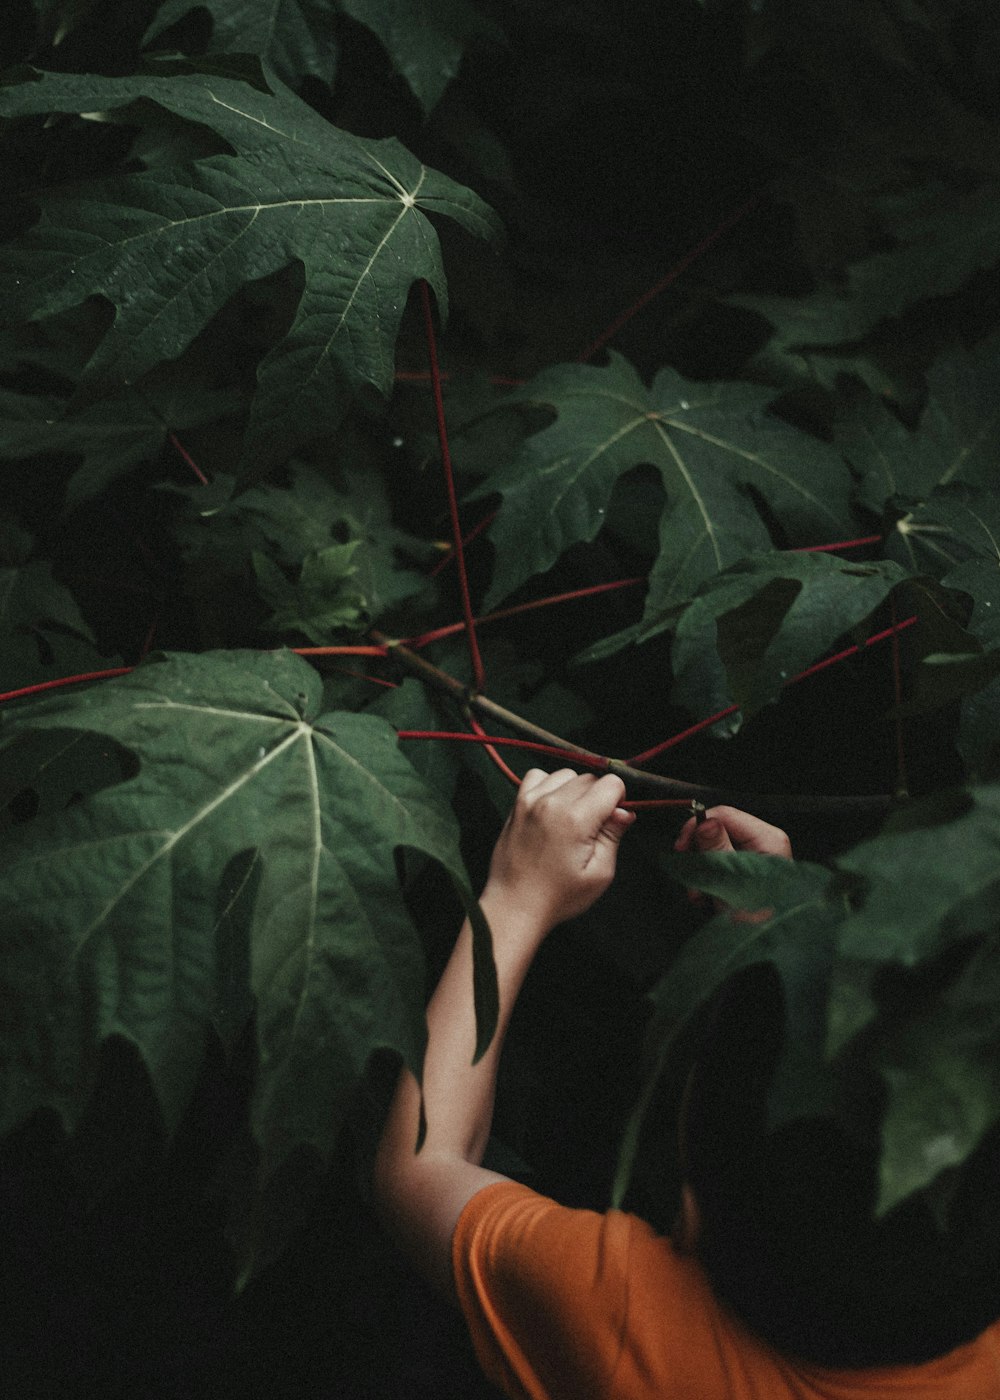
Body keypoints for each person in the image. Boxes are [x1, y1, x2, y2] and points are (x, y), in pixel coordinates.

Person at [373, 769, 1000, 1398]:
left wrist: (515, 898)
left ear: (689, 1209)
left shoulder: (628, 1322)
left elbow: (420, 1166)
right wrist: (766, 932)